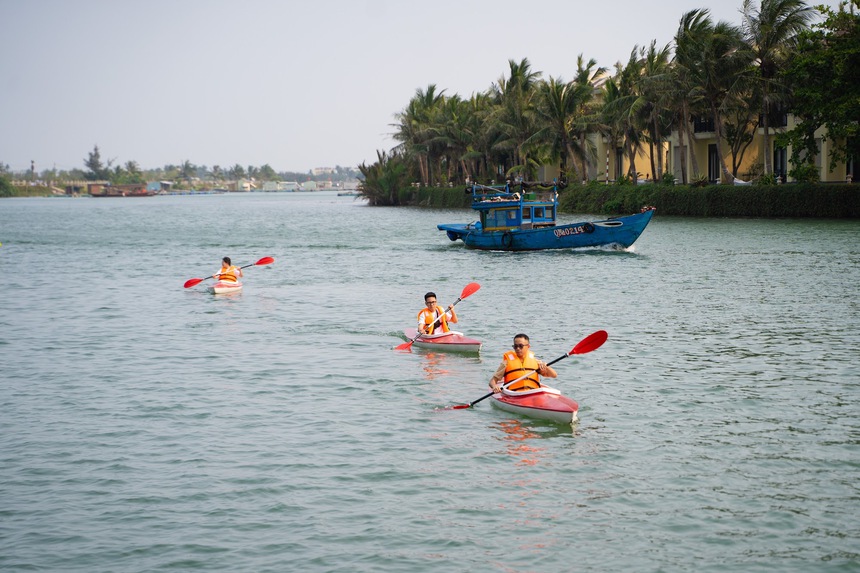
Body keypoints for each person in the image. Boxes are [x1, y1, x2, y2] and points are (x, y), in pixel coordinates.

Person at [489, 333, 557, 393]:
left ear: (528, 346)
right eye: (515, 346)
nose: (518, 348)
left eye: (521, 346)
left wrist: (546, 366)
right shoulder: (506, 363)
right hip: (514, 394)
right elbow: (492, 381)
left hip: (533, 393)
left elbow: (554, 375)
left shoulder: (536, 362)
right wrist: (494, 386)